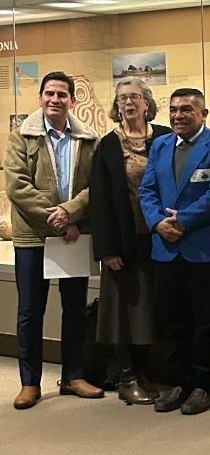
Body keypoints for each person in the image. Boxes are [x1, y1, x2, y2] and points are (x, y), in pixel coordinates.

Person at [5, 71, 103, 409]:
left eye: (62, 94)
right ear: (40, 97)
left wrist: (71, 214)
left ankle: (74, 377)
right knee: (31, 311)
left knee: (75, 309)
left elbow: (96, 187)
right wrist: (60, 222)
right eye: (49, 93)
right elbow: (17, 187)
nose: (54, 99)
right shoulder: (21, 137)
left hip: (73, 236)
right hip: (33, 237)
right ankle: (29, 383)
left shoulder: (89, 139)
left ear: (72, 101)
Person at [139, 88, 210, 415]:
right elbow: (147, 190)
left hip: (201, 248)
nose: (178, 115)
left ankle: (205, 385)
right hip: (165, 248)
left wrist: (184, 221)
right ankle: (179, 381)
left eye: (187, 109)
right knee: (173, 319)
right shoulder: (160, 145)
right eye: (174, 109)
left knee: (207, 320)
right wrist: (156, 223)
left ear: (203, 113)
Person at [90, 76, 171, 405]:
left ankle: (144, 372)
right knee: (121, 312)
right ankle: (125, 377)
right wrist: (106, 249)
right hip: (123, 242)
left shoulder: (165, 138)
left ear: (147, 103)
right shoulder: (107, 146)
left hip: (159, 238)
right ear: (116, 105)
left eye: (135, 96)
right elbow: (100, 201)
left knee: (149, 309)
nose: (129, 102)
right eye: (123, 97)